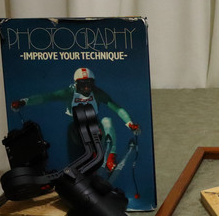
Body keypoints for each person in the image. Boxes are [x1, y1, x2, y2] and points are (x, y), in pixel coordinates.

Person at [11, 67, 139, 172]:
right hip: (76, 126)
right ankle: (87, 160)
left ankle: (110, 158)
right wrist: (24, 102)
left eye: (89, 84)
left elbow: (117, 108)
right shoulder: (69, 92)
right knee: (77, 140)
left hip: (93, 123)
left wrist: (130, 124)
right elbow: (46, 97)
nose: (87, 88)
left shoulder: (97, 92)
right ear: (76, 84)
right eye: (83, 85)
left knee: (107, 122)